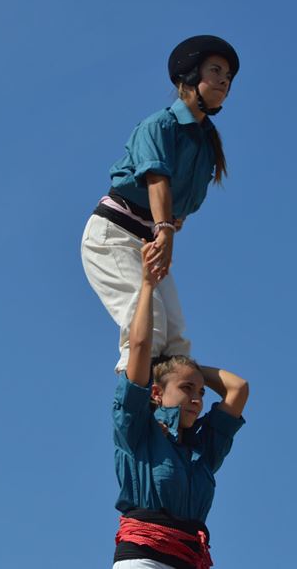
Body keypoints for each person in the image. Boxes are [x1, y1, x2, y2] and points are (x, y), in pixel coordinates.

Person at [81, 35, 240, 372]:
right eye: (216, 70)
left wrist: (170, 223)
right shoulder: (160, 125)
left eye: (228, 76)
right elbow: (157, 179)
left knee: (176, 342)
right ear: (189, 76)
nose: (225, 80)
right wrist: (166, 227)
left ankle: (172, 404)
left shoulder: (206, 145)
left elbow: (183, 201)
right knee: (147, 326)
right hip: (116, 234)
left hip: (150, 239)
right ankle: (133, 401)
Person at [112, 242, 249, 569]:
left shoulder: (203, 452)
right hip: (144, 560)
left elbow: (238, 388)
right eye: (187, 389)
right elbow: (140, 345)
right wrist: (147, 284)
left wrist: (185, 367)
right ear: (156, 393)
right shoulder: (137, 433)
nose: (198, 399)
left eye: (201, 392)